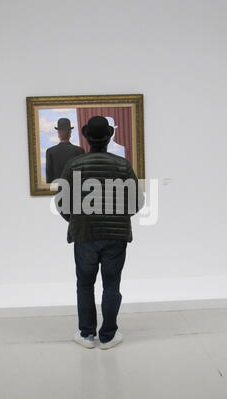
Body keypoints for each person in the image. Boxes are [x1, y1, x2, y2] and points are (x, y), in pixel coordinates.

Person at [55, 116, 145, 350]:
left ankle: (86, 335)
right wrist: (119, 217)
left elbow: (62, 202)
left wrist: (75, 219)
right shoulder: (122, 165)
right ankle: (108, 336)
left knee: (84, 285)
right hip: (116, 236)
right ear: (109, 137)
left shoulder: (74, 165)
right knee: (112, 285)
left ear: (86, 137)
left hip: (84, 234)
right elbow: (137, 202)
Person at [46, 118, 84, 183]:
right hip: (74, 190)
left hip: (57, 190)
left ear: (58, 133)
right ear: (70, 133)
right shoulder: (79, 151)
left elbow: (49, 178)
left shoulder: (50, 152)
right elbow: (82, 176)